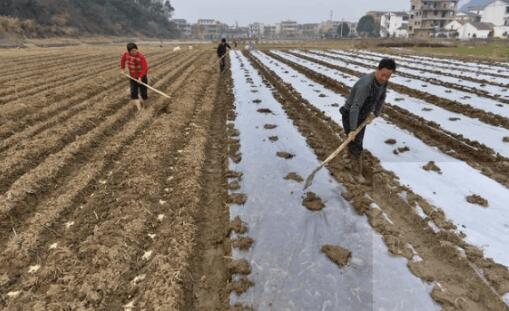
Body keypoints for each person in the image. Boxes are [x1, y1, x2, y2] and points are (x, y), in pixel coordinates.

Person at [340, 58, 396, 175]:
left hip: (363, 115)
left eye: (388, 76)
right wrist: (353, 129)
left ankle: (347, 159)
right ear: (377, 70)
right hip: (350, 114)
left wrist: (375, 113)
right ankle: (356, 173)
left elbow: (381, 98)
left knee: (356, 142)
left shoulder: (383, 82)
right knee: (356, 145)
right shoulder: (366, 85)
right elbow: (355, 107)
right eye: (383, 75)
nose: (385, 79)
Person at [120, 42, 149, 111]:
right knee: (133, 92)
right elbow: (122, 60)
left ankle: (145, 107)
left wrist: (140, 77)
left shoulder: (141, 57)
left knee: (143, 93)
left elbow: (145, 68)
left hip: (142, 77)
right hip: (133, 77)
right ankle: (139, 109)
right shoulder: (126, 55)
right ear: (129, 51)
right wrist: (122, 68)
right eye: (132, 51)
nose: (134, 52)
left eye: (135, 50)